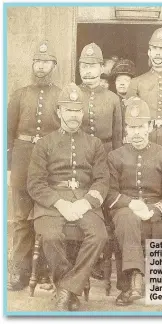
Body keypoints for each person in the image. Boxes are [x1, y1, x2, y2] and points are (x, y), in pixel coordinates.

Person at [27, 83, 109, 311]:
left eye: (77, 110)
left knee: (99, 235)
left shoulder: (94, 144)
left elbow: (102, 180)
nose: (73, 115)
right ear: (59, 112)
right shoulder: (44, 143)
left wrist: (86, 202)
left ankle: (66, 290)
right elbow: (34, 183)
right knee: (51, 236)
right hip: (52, 202)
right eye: (68, 110)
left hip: (85, 199)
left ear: (83, 113)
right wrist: (60, 203)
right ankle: (70, 289)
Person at [106, 97, 162, 306]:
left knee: (142, 224)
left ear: (149, 127)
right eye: (132, 128)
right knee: (127, 219)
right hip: (124, 210)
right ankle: (135, 281)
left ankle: (131, 286)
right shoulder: (115, 156)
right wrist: (131, 203)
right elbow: (108, 193)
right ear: (126, 130)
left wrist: (151, 211)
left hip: (155, 214)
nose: (137, 133)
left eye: (141, 126)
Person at [7, 40, 61, 291]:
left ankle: (43, 272)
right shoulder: (19, 95)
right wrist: (8, 168)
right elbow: (7, 134)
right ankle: (20, 271)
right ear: (33, 64)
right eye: (37, 62)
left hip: (48, 164)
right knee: (21, 218)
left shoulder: (61, 95)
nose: (41, 67)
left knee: (47, 215)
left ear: (54, 65)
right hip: (21, 159)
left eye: (46, 62)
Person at [78, 43, 123, 152]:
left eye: (92, 66)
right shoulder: (73, 94)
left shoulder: (113, 98)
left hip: (105, 154)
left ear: (102, 68)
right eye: (84, 66)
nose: (87, 71)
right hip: (79, 153)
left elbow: (117, 137)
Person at [111, 58, 136, 142]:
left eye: (126, 80)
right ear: (114, 82)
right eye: (119, 80)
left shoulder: (137, 102)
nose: (122, 83)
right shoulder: (111, 101)